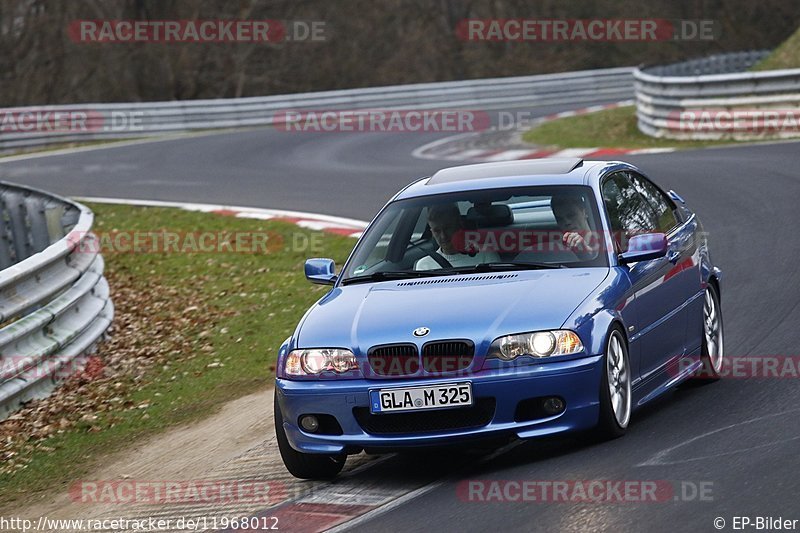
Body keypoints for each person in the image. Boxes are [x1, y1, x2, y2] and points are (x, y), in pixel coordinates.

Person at [414, 203, 500, 270]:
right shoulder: (424, 265)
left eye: (447, 228)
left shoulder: (486, 255)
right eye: (437, 231)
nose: (443, 236)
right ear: (431, 232)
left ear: (459, 225)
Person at [550, 194, 600, 261]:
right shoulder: (557, 250)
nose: (566, 222)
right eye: (560, 219)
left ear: (585, 212)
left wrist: (588, 253)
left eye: (571, 215)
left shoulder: (605, 241)